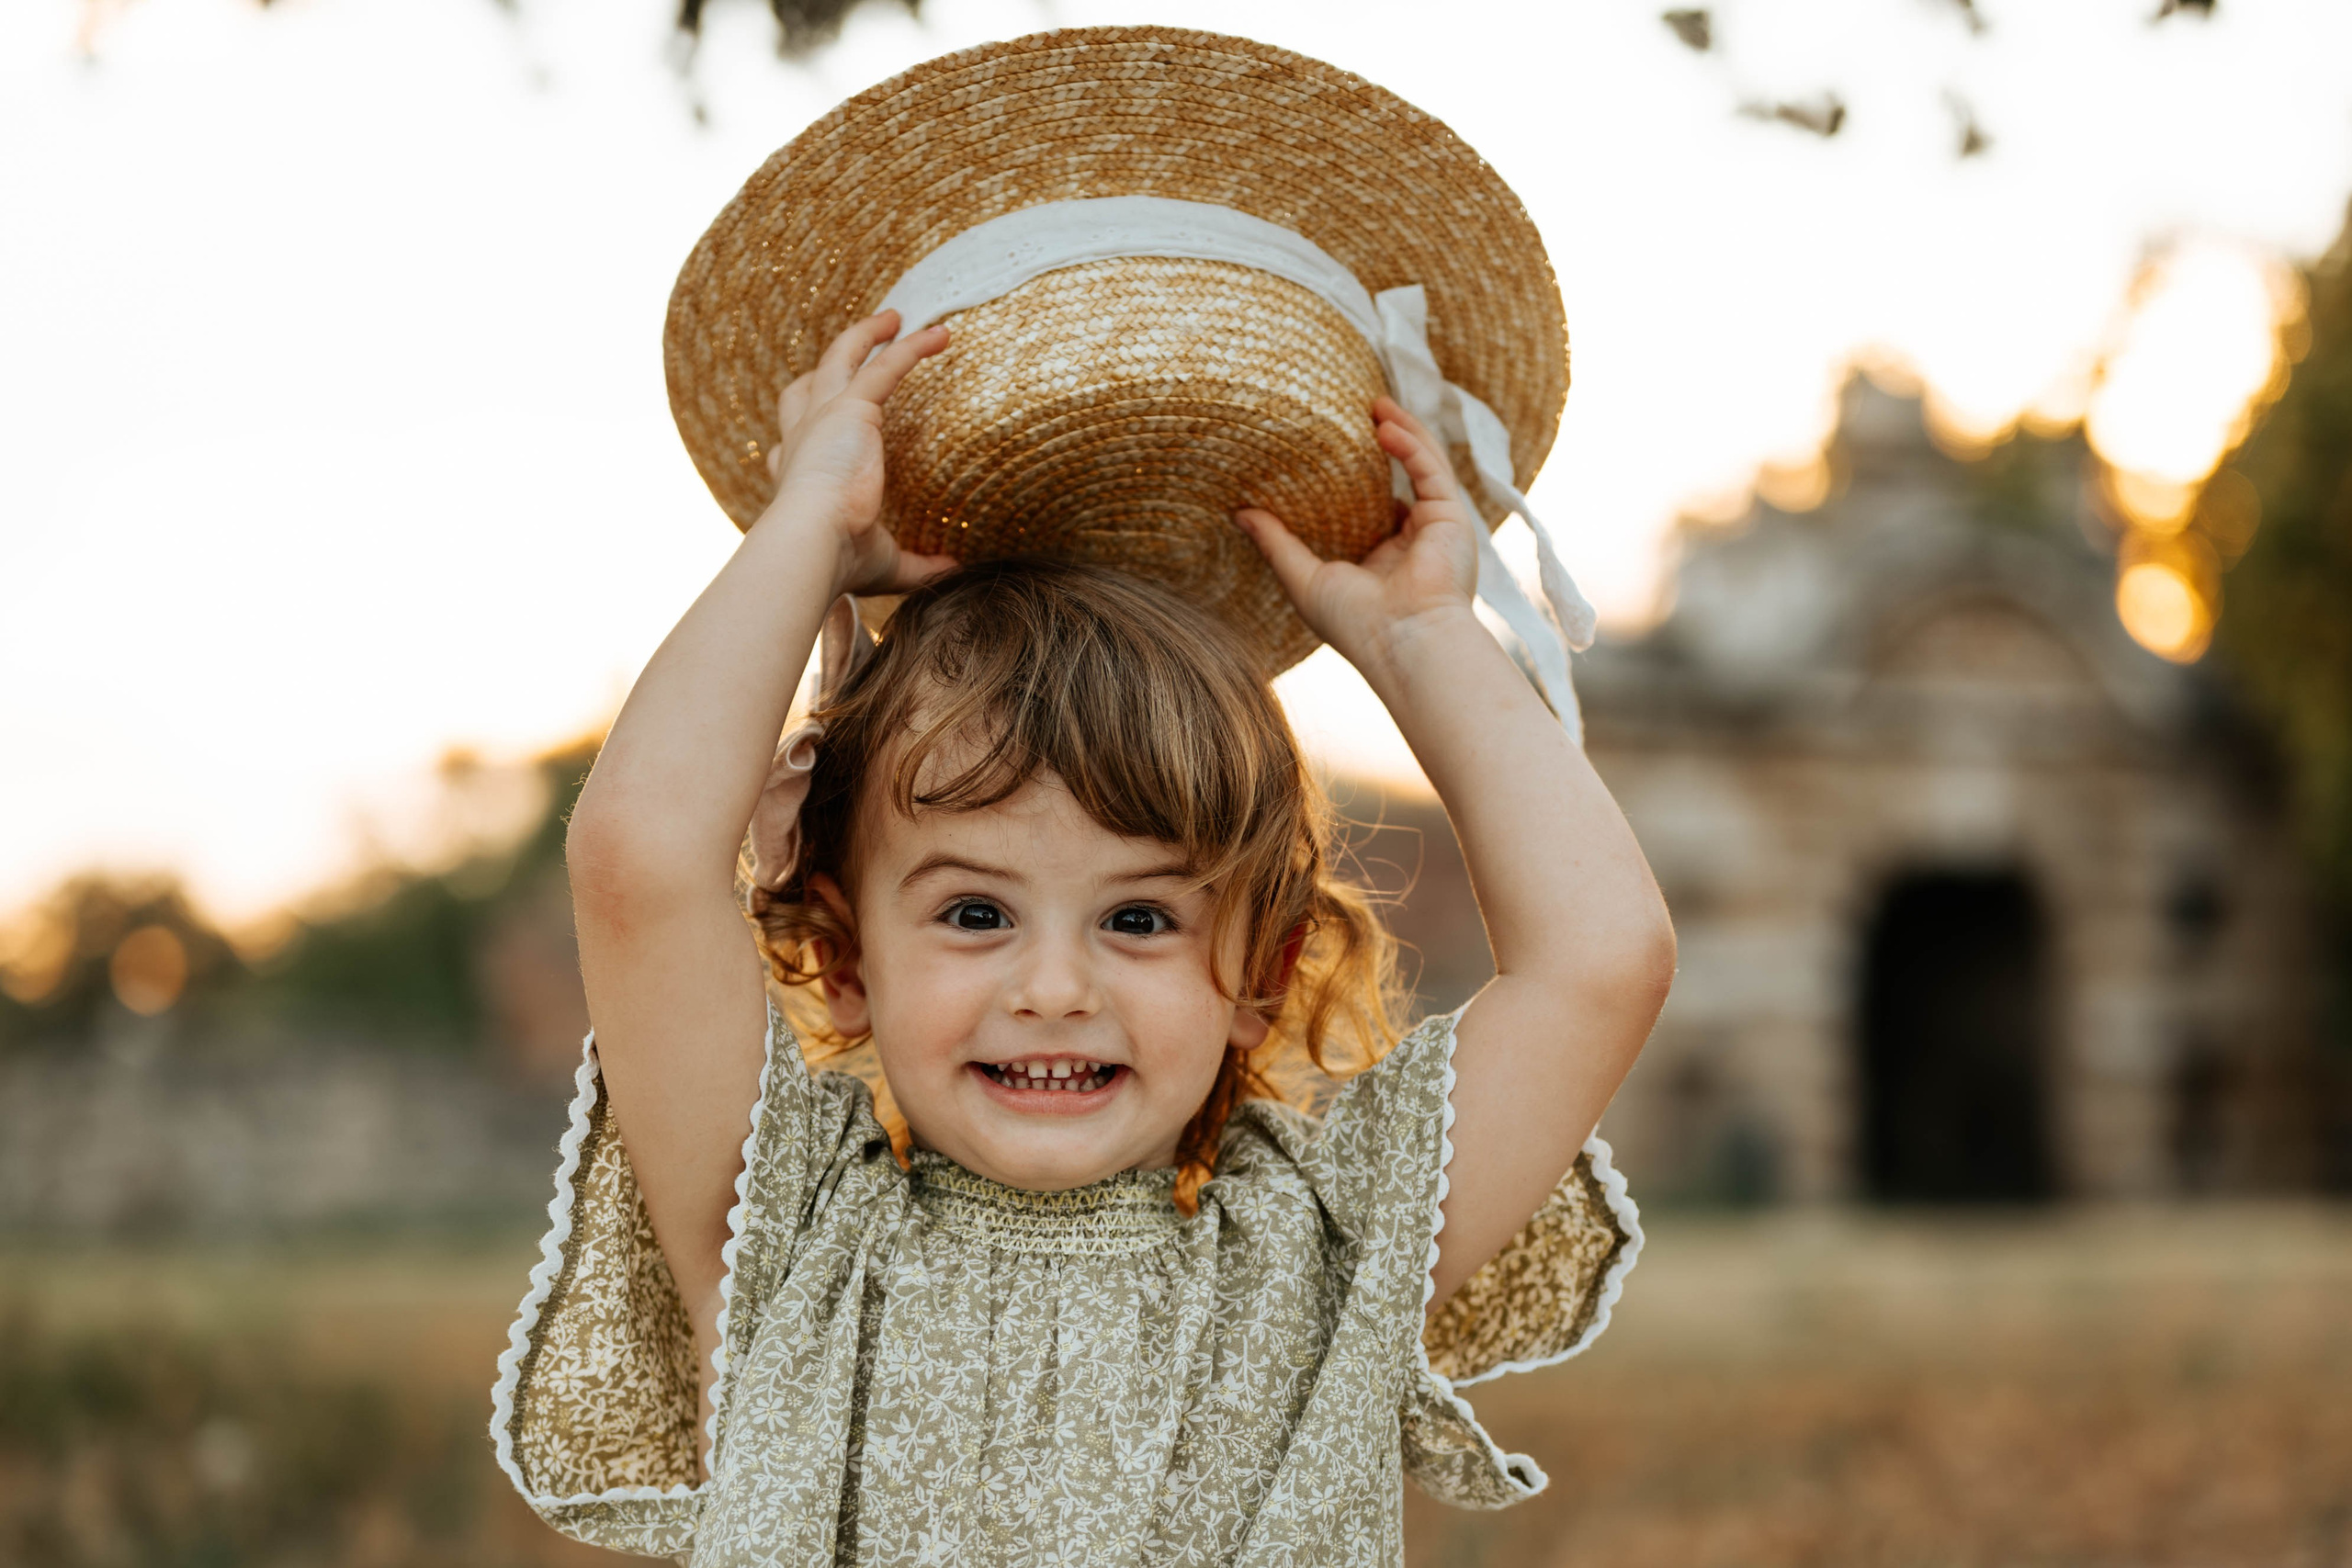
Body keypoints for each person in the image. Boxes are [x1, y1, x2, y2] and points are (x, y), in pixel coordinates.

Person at [490, 27, 1673, 1567]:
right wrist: (807, 531)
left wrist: (1423, 639)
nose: (1055, 988)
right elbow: (640, 858)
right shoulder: (791, 1231)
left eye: (1141, 918)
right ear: (841, 957)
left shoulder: (1324, 1252)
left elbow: (1602, 960)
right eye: (976, 913)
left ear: (1258, 976)